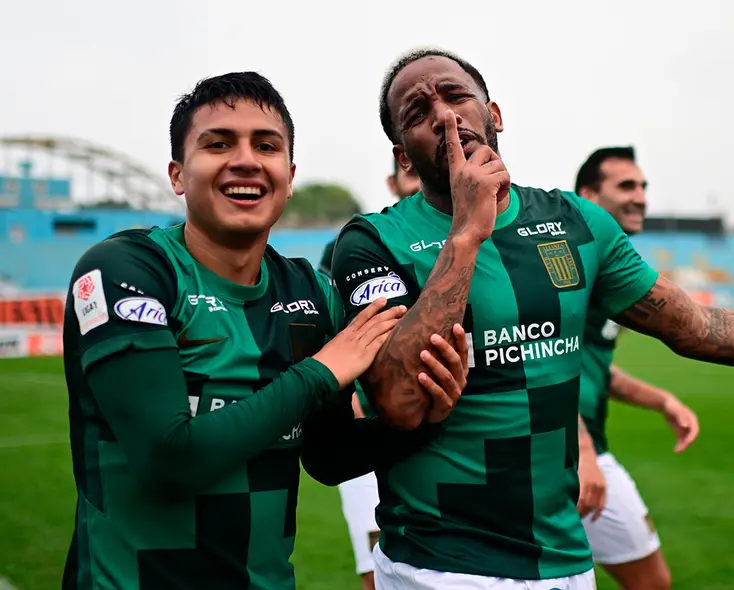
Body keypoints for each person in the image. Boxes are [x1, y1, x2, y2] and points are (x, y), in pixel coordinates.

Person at [328, 48, 734, 590]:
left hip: (564, 561)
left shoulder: (578, 225)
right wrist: (468, 233)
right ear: (403, 156)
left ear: (492, 115)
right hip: (438, 565)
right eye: (417, 112)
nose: (443, 115)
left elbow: (694, 326)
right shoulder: (371, 243)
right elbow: (398, 398)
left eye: (456, 96)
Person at [60, 71, 469, 590]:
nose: (247, 159)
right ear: (178, 174)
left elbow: (329, 455)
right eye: (218, 143)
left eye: (266, 145)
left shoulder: (309, 292)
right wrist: (320, 372)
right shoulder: (128, 269)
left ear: (289, 174)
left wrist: (427, 416)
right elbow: (168, 460)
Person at [572, 146, 698, 590]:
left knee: (651, 581)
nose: (641, 196)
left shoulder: (612, 268)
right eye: (626, 186)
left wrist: (661, 400)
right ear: (588, 196)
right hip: (561, 452)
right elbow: (536, 364)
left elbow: (597, 369)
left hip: (586, 450)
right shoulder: (565, 264)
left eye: (644, 186)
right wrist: (582, 452)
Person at [322, 161, 421, 590]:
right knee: (378, 572)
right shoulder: (357, 247)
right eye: (414, 173)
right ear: (394, 180)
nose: (423, 184)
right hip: (371, 427)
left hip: (437, 429)